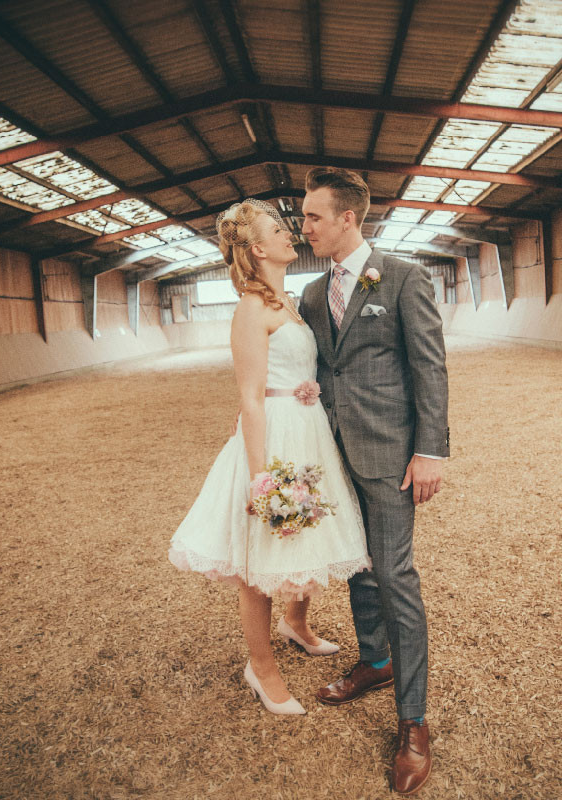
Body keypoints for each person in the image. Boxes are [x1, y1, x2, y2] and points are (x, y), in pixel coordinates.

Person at [169, 199, 371, 716]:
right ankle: (260, 668)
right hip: (274, 436)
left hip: (308, 430)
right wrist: (261, 478)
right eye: (279, 229)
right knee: (260, 555)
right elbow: (251, 398)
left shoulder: (292, 303)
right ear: (258, 248)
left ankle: (296, 623)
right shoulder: (250, 309)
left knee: (309, 534)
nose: (292, 233)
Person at [299, 167, 450, 795]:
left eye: (312, 216)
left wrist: (431, 451)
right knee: (357, 565)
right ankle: (376, 660)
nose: (303, 227)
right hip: (333, 454)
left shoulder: (404, 275)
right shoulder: (309, 295)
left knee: (394, 574)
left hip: (391, 455)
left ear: (347, 219)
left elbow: (429, 366)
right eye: (302, 217)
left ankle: (414, 724)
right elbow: (322, 366)